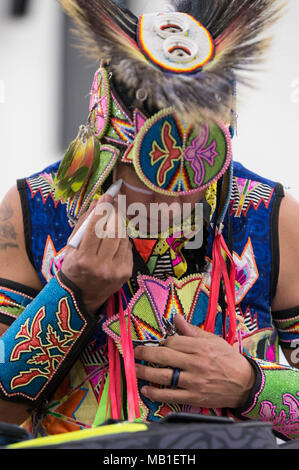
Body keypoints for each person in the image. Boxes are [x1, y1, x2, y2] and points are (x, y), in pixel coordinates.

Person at [0, 0, 299, 443]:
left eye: (193, 174)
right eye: (146, 176)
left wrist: (250, 385)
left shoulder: (269, 216)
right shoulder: (35, 210)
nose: (169, 202)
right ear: (106, 147)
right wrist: (73, 294)